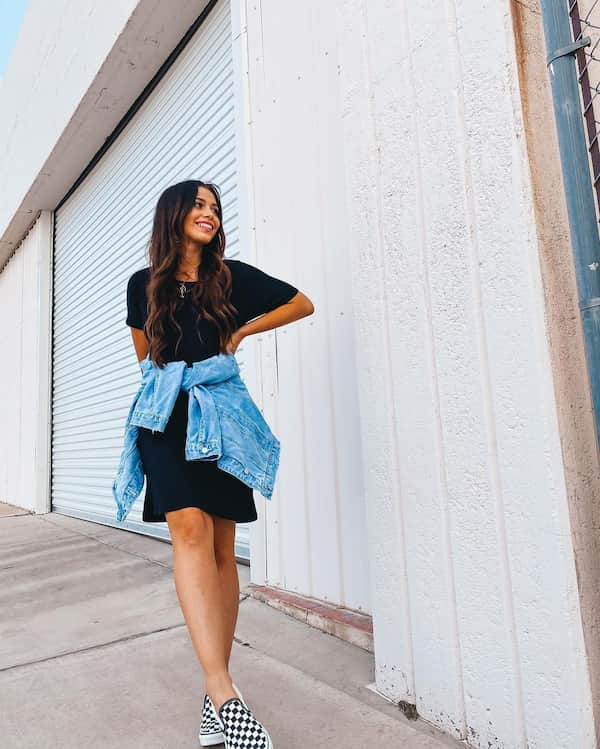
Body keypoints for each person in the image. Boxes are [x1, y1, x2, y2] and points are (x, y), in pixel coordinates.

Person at [124, 179, 314, 747]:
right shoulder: (144, 285)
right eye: (198, 205)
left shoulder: (231, 279)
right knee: (189, 529)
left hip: (223, 419)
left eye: (214, 207)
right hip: (166, 418)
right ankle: (226, 694)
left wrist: (240, 331)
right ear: (175, 215)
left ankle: (213, 701)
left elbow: (300, 302)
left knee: (223, 549)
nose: (209, 213)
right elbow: (147, 360)